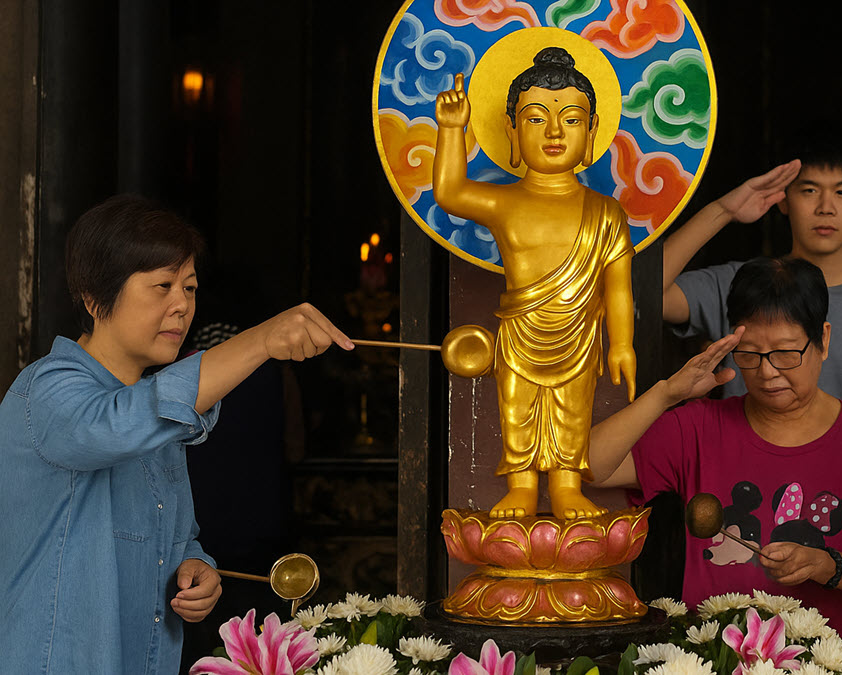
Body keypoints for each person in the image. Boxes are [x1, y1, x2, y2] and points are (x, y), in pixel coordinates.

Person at [0, 195, 353, 674]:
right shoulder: (47, 390)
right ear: (93, 297)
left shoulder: (155, 405)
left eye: (189, 288)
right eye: (162, 286)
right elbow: (116, 425)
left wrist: (197, 566)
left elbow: (177, 534)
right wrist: (260, 340)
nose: (182, 305)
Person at [661, 127, 842, 652]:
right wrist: (724, 210)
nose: (825, 206)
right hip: (746, 551)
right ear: (782, 200)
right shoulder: (740, 289)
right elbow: (637, 291)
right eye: (808, 189)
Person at [591, 257, 842, 674]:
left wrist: (828, 565)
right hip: (716, 662)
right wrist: (666, 394)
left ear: (823, 339)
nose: (767, 373)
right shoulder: (698, 428)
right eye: (749, 354)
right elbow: (589, 465)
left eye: (786, 353)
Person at [433, 47, 635, 520]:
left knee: (572, 410)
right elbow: (450, 192)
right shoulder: (506, 203)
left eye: (570, 118)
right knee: (518, 408)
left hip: (580, 333)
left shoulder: (607, 213)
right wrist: (449, 129)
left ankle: (567, 486)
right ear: (511, 129)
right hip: (521, 330)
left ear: (591, 131)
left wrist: (622, 342)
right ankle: (521, 486)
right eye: (535, 118)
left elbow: (619, 287)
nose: (554, 132)